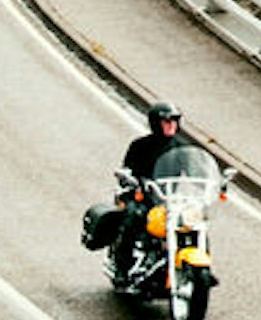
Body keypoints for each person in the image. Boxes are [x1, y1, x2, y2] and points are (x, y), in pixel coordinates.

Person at [81, 103, 190, 251]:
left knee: (192, 222)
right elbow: (127, 169)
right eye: (167, 122)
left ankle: (196, 267)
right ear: (156, 124)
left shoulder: (182, 148)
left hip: (168, 199)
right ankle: (123, 263)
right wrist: (132, 180)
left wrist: (212, 184)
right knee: (134, 216)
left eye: (174, 121)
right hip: (142, 197)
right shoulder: (140, 145)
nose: (171, 125)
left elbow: (194, 170)